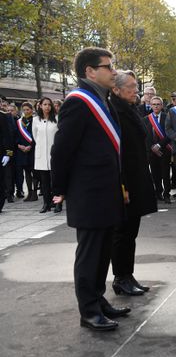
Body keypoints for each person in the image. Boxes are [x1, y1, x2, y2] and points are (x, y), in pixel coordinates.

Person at [51, 47, 128, 331]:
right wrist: (59, 188)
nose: (114, 71)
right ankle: (89, 311)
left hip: (105, 191)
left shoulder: (102, 99)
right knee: (90, 254)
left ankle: (98, 300)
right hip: (89, 192)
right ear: (90, 71)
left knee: (103, 252)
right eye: (108, 66)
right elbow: (62, 149)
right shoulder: (79, 101)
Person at [109, 70, 157, 296]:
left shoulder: (129, 109)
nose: (135, 90)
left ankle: (128, 274)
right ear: (117, 89)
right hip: (124, 181)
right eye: (131, 86)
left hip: (136, 176)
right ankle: (120, 277)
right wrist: (122, 185)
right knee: (122, 232)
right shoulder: (113, 111)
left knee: (131, 232)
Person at [32, 97, 59, 213]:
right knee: (44, 182)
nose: (47, 107)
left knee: (56, 181)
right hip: (41, 155)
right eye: (45, 104)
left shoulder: (57, 119)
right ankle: (46, 204)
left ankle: (57, 203)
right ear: (40, 106)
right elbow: (35, 136)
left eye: (49, 104)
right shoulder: (35, 120)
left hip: (54, 154)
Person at [144, 96, 172, 203]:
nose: (156, 106)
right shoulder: (145, 119)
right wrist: (152, 147)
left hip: (164, 150)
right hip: (151, 152)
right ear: (151, 106)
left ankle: (167, 194)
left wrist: (159, 145)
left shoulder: (167, 117)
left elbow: (169, 134)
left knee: (165, 173)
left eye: (158, 104)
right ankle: (158, 192)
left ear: (162, 105)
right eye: (154, 104)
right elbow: (144, 136)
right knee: (155, 173)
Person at [15, 102, 37, 202]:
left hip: (32, 150)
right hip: (22, 151)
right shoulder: (19, 122)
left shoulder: (35, 120)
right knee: (27, 172)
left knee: (35, 173)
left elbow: (36, 135)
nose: (26, 111)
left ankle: (35, 193)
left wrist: (31, 145)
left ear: (32, 110)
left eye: (28, 109)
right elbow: (16, 135)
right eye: (24, 110)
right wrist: (18, 145)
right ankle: (30, 192)